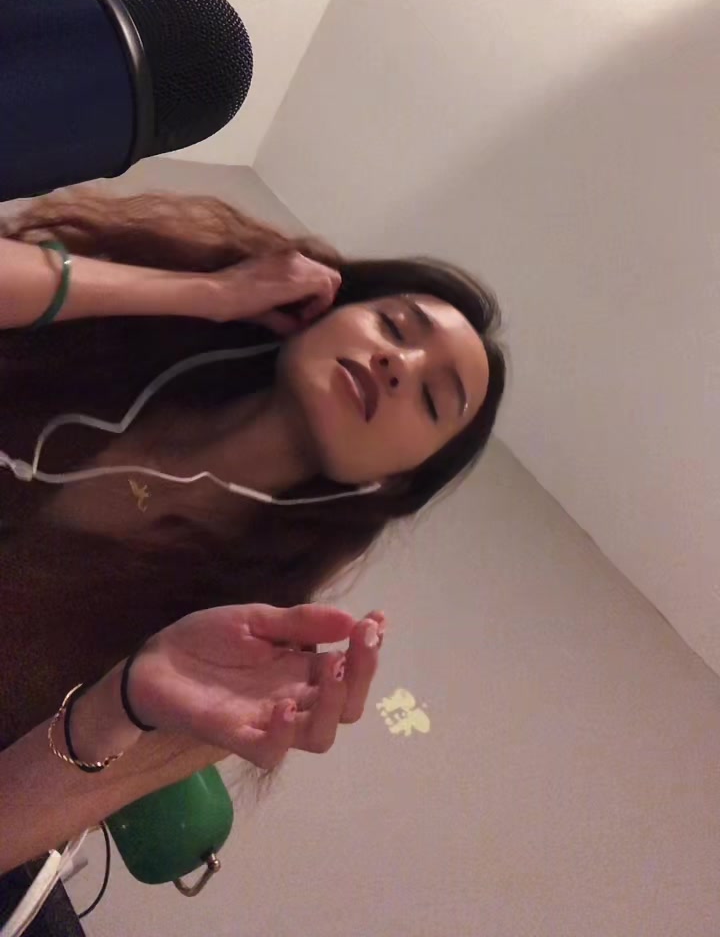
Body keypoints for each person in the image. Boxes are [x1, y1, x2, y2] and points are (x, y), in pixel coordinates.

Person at [0, 188, 506, 871]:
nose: (398, 364)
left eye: (432, 398)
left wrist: (121, 705)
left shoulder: (241, 657)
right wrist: (206, 293)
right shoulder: (106, 351)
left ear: (396, 483)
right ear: (325, 309)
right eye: (393, 326)